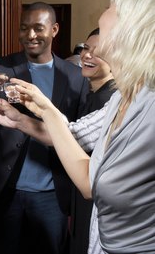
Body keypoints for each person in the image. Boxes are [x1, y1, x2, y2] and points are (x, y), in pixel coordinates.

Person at [0, 0, 155, 254]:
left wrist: (45, 109)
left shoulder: (149, 106)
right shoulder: (121, 97)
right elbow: (75, 137)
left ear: (133, 24)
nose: (103, 14)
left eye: (110, 7)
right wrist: (32, 111)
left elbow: (95, 183)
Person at [0, 2, 89, 254]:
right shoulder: (1, 67)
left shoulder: (75, 78)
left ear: (54, 29)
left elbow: (80, 135)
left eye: (38, 28)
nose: (30, 35)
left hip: (52, 192)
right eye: (24, 28)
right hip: (6, 189)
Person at [69, 28, 115, 254]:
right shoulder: (89, 93)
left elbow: (72, 138)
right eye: (86, 48)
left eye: (98, 52)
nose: (87, 55)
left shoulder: (111, 100)